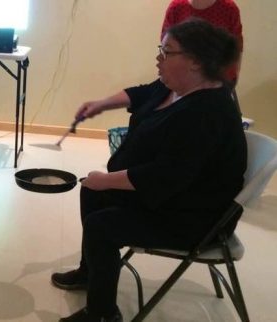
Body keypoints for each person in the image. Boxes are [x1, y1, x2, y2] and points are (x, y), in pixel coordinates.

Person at [51, 19, 246, 322]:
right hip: (169, 196)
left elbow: (164, 176)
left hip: (191, 216)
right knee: (91, 191)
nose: (159, 58)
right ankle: (91, 273)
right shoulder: (176, 87)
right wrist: (101, 104)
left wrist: (106, 180)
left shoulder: (207, 112)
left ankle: (102, 314)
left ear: (195, 61)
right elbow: (142, 94)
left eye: (167, 52)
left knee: (102, 224)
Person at [162, 0, 243, 98]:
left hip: (219, 82)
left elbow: (236, 48)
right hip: (183, 84)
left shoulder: (229, 8)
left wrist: (231, 80)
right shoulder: (176, 8)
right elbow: (167, 49)